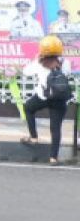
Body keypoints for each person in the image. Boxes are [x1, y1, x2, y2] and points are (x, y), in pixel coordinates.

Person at [20, 36, 75, 165]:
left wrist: (37, 58)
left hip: (43, 97)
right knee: (55, 128)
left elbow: (25, 72)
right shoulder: (65, 62)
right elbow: (67, 74)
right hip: (60, 99)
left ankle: (33, 137)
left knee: (28, 108)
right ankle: (53, 158)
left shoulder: (40, 63)